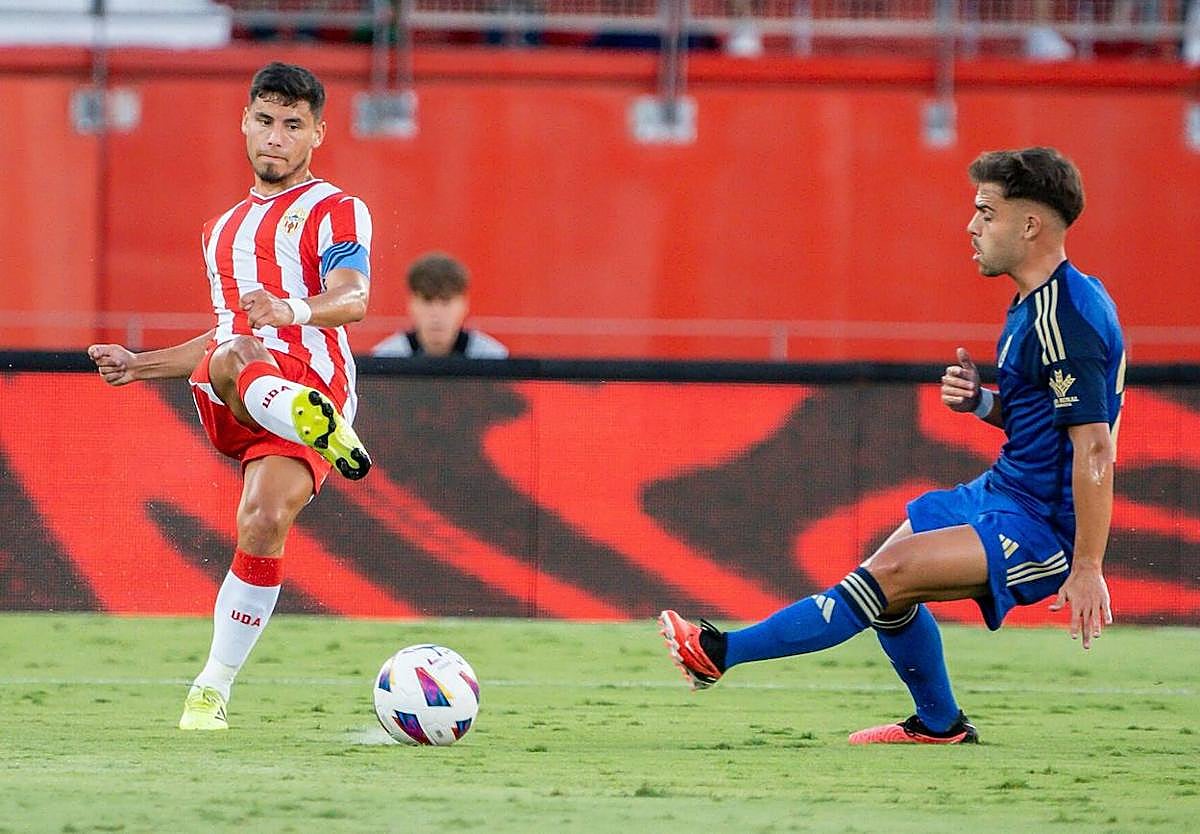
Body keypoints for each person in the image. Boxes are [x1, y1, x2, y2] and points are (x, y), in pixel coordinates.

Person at [660, 147, 1125, 744]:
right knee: (882, 590)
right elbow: (1049, 424)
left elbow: (1094, 447)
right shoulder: (1039, 304)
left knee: (888, 577)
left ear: (1030, 225)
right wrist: (984, 403)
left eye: (986, 212)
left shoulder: (1069, 316)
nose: (972, 226)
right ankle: (939, 724)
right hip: (1003, 490)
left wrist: (1087, 565)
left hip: (1046, 525)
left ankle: (718, 652)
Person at [87, 62, 373, 731]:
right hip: (244, 386)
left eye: (293, 125)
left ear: (317, 135)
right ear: (245, 123)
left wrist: (289, 309)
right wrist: (138, 365)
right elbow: (220, 335)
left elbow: (355, 298)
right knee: (236, 348)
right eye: (266, 121)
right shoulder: (221, 232)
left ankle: (210, 691)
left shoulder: (336, 208)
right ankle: (313, 424)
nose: (277, 136)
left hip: (312, 381)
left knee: (263, 522)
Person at [372, 252, 508, 359]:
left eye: (446, 302)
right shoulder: (385, 358)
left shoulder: (492, 358)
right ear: (411, 304)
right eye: (427, 301)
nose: (436, 313)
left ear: (464, 305)